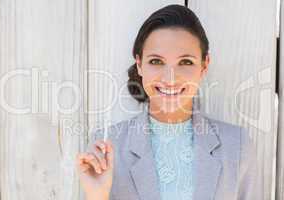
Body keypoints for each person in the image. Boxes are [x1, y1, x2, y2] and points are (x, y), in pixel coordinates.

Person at [76, 4, 261, 200]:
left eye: (185, 62)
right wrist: (97, 196)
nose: (170, 78)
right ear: (139, 65)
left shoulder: (237, 146)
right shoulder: (107, 149)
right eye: (156, 61)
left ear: (204, 66)